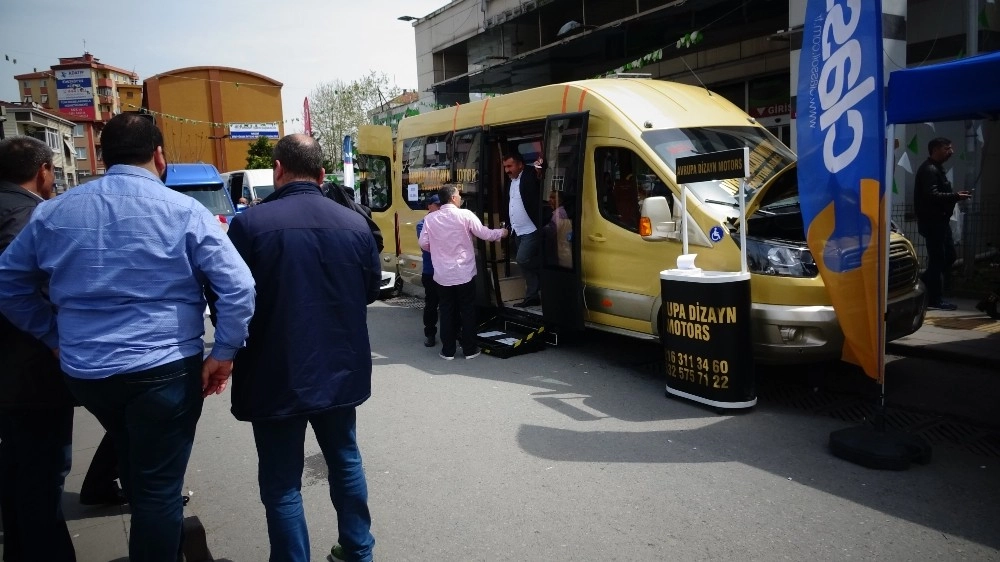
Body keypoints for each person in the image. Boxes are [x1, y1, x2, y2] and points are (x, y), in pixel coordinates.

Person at [0, 114, 256, 562]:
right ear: (160, 156)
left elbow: (9, 283)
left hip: (87, 372)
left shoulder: (53, 212)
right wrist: (225, 352)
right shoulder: (183, 210)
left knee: (136, 459)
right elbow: (239, 287)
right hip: (164, 372)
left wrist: (53, 335)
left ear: (100, 155)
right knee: (158, 489)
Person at [226, 134, 380, 562]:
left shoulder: (249, 225)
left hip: (273, 370)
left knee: (281, 482)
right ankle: (357, 550)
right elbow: (369, 290)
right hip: (339, 366)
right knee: (345, 458)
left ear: (277, 169)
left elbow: (229, 299)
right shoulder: (354, 223)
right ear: (322, 174)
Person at [0, 135, 77, 562]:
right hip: (28, 370)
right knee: (42, 478)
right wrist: (53, 334)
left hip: (13, 372)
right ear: (43, 171)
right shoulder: (33, 219)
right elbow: (18, 287)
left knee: (16, 475)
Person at [419, 184, 509, 359]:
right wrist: (502, 233)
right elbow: (484, 234)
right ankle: (469, 349)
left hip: (442, 275)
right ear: (453, 198)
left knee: (446, 311)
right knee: (467, 310)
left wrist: (438, 250)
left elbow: (423, 243)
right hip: (463, 272)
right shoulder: (465, 215)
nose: (460, 197)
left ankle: (448, 351)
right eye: (458, 195)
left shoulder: (430, 219)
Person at [914, 137, 972, 310]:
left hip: (940, 221)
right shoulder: (929, 169)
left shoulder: (936, 168)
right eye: (947, 148)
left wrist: (955, 195)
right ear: (935, 150)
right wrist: (955, 196)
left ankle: (923, 283)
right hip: (932, 222)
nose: (951, 152)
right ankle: (934, 298)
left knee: (948, 257)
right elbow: (931, 195)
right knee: (938, 260)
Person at [503, 152, 542, 307]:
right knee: (523, 263)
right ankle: (532, 296)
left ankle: (545, 271)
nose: (507, 170)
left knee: (522, 259)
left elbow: (540, 175)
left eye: (509, 166)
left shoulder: (530, 174)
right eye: (505, 166)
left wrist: (539, 169)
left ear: (520, 165)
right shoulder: (510, 181)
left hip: (531, 229)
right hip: (517, 230)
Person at [416, 194, 442, 347]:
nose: (439, 208)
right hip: (431, 271)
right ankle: (430, 334)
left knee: (448, 305)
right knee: (431, 304)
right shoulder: (422, 224)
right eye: (436, 205)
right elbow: (427, 246)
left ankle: (451, 333)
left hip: (445, 270)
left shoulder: (444, 221)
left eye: (441, 205)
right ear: (429, 206)